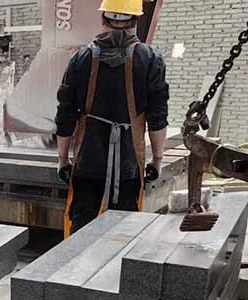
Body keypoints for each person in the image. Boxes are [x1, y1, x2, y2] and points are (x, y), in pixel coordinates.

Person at [55, 0, 169, 237]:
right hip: (128, 167)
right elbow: (158, 118)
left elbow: (65, 117)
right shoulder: (150, 59)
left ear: (102, 19)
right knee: (123, 233)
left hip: (88, 164)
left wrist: (63, 160)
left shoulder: (80, 58)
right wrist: (157, 160)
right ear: (136, 20)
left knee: (81, 231)